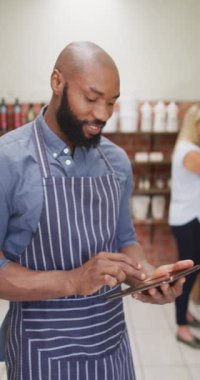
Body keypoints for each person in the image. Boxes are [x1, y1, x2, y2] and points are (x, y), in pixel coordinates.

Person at [0, 41, 193, 379]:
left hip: (110, 341)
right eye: (91, 99)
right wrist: (74, 280)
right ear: (57, 82)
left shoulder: (115, 161)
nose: (102, 114)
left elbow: (125, 239)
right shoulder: (9, 160)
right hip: (40, 347)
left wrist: (147, 276)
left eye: (111, 102)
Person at [169, 105, 200, 349]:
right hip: (187, 220)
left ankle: (185, 315)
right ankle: (181, 326)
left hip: (189, 218)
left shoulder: (188, 148)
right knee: (186, 274)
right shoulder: (190, 152)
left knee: (193, 269)